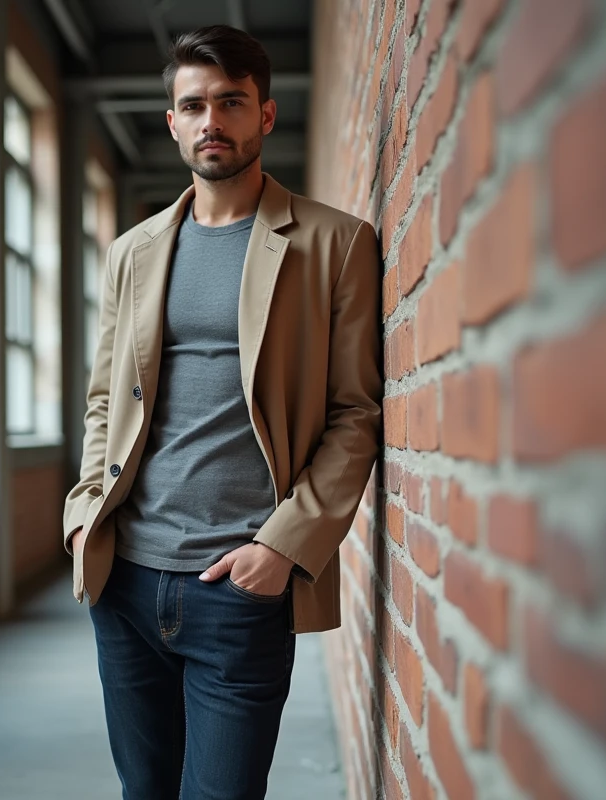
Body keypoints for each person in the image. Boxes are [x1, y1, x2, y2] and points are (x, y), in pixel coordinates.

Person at [62, 24, 383, 800]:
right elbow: (107, 395)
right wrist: (82, 514)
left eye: (231, 102)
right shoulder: (132, 252)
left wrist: (284, 548)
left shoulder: (335, 245)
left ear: (264, 115)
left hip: (238, 588)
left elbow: (354, 415)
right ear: (172, 121)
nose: (213, 121)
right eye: (194, 105)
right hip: (127, 582)